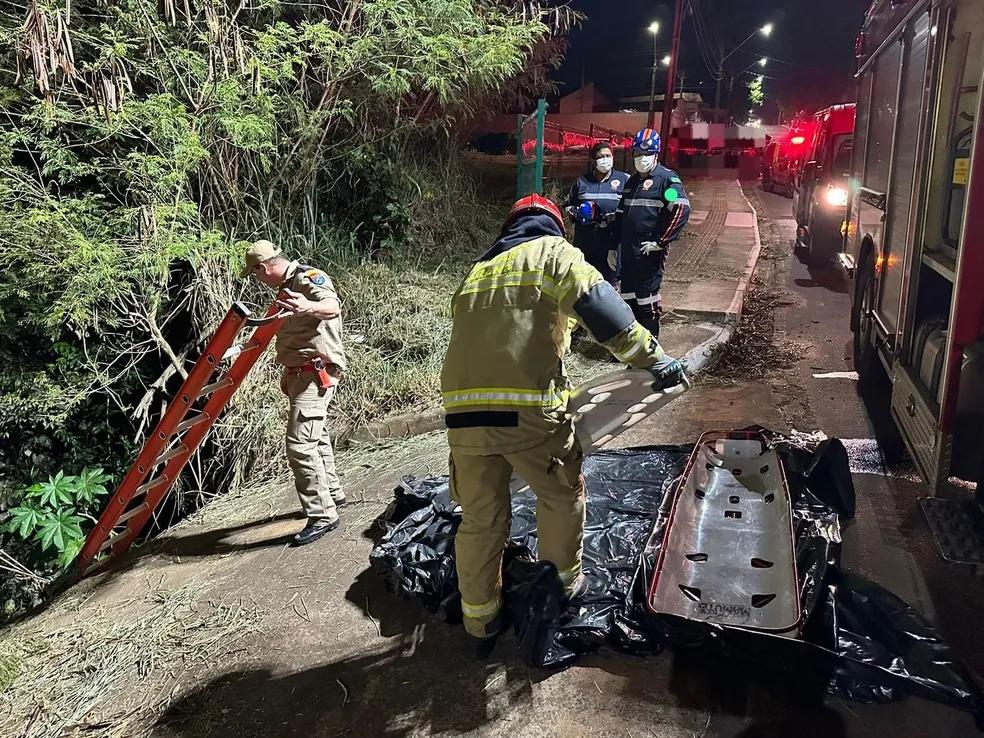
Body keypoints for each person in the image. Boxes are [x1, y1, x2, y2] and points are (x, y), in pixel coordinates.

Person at [440, 194, 685, 649]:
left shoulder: (477, 272)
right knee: (559, 495)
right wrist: (656, 359)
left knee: (479, 518)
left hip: (462, 418)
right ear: (555, 226)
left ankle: (481, 622)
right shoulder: (555, 255)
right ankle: (562, 590)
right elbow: (607, 316)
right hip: (530, 413)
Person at [243, 239, 348, 546]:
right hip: (300, 376)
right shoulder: (286, 289)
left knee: (300, 446)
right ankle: (333, 494)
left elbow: (332, 306)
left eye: (256, 274)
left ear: (264, 268)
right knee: (317, 437)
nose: (258, 281)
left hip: (314, 375)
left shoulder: (308, 278)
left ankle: (322, 515)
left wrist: (309, 305)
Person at [615, 128, 691, 338]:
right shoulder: (631, 183)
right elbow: (621, 215)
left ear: (656, 154)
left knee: (646, 303)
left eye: (647, 154)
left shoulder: (665, 181)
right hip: (628, 254)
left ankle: (651, 349)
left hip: (649, 254)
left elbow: (681, 208)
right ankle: (634, 349)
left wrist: (661, 241)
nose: (642, 159)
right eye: (638, 154)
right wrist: (614, 247)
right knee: (628, 301)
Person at [565, 142, 629, 285]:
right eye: (601, 157)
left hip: (611, 241)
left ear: (613, 157)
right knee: (584, 282)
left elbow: (630, 210)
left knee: (611, 283)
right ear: (594, 161)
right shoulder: (582, 182)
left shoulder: (624, 180)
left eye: (608, 156)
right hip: (585, 240)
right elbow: (569, 206)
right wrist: (579, 214)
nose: (605, 159)